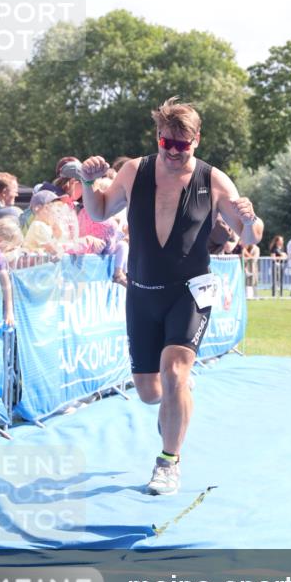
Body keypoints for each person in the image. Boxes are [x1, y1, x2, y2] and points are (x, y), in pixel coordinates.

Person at [78, 97, 263, 496]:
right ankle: (178, 394)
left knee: (175, 371)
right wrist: (88, 183)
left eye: (184, 145)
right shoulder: (134, 171)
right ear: (158, 138)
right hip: (142, 292)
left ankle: (168, 463)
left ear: (197, 140)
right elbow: (98, 212)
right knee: (150, 392)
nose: (175, 153)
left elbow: (248, 237)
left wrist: (251, 220)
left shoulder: (213, 180)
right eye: (167, 144)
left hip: (190, 292)